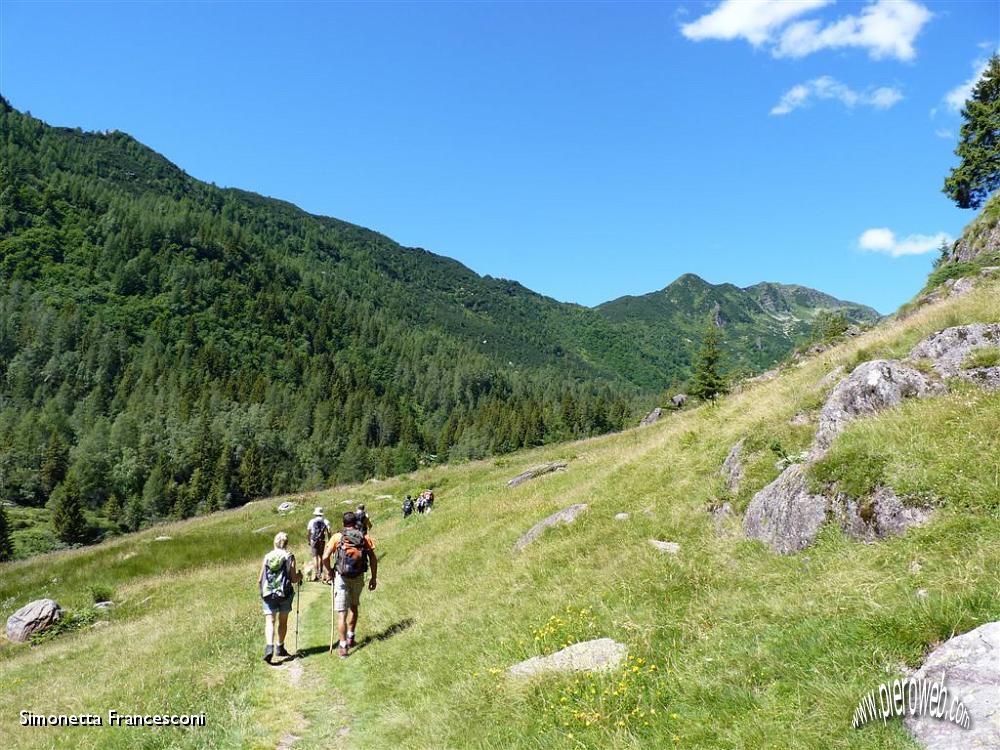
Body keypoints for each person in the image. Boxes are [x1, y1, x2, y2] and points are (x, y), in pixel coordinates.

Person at [322, 511, 377, 659]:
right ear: (356, 522)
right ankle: (351, 636)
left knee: (342, 613)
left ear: (343, 523)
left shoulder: (337, 537)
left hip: (342, 577)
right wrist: (373, 578)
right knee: (354, 607)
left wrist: (329, 572)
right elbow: (373, 558)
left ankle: (343, 645)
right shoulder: (363, 537)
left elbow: (325, 557)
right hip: (358, 576)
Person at [258, 531, 302, 663]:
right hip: (284, 593)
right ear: (286, 543)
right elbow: (294, 579)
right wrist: (300, 576)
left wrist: (263, 591)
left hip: (268, 593)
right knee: (283, 621)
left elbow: (260, 579)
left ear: (275, 542)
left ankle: (269, 647)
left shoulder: (267, 556)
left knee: (270, 621)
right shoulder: (289, 556)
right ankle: (280, 647)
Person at [306, 507, 331, 583]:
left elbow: (309, 532)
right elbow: (329, 531)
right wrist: (330, 540)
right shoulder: (326, 521)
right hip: (322, 540)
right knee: (320, 555)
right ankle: (320, 573)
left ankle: (316, 574)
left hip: (314, 540)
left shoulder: (311, 521)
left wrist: (308, 540)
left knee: (314, 556)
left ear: (315, 514)